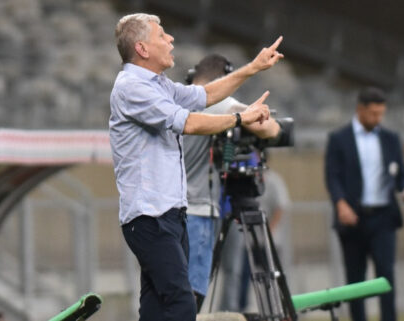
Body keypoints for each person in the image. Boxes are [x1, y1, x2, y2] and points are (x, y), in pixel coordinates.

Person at [110, 13, 283, 321]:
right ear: (143, 49)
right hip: (149, 217)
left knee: (155, 308)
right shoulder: (131, 87)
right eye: (162, 35)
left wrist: (253, 68)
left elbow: (205, 95)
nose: (171, 39)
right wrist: (240, 118)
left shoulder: (158, 84)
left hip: (170, 215)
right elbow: (187, 122)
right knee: (181, 303)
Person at [182, 54, 281, 310]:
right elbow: (266, 128)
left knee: (168, 295)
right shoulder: (209, 101)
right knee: (191, 297)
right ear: (223, 80)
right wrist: (276, 128)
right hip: (197, 211)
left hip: (167, 212)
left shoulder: (174, 97)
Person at [324, 87, 404, 321]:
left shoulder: (390, 139)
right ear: (360, 110)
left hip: (384, 217)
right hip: (353, 218)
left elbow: (401, 173)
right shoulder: (339, 139)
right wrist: (340, 204)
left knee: (386, 277)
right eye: (373, 113)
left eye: (381, 114)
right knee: (355, 280)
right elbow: (332, 176)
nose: (378, 119)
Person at [219, 166, 290, 312]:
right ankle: (241, 308)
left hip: (267, 242)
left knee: (270, 277)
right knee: (244, 275)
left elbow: (281, 206)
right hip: (247, 240)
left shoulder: (273, 181)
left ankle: (276, 308)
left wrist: (270, 228)